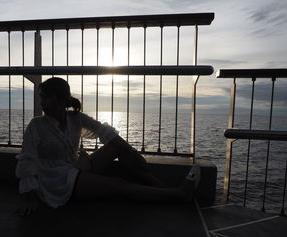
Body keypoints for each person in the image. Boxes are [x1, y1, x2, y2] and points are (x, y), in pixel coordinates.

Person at [16, 77, 200, 216]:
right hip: (56, 180)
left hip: (75, 167)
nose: (42, 104)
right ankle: (176, 194)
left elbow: (105, 132)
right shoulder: (36, 125)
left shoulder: (76, 118)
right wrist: (28, 194)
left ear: (59, 99)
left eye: (45, 98)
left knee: (118, 147)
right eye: (41, 99)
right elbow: (27, 159)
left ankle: (165, 188)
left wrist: (131, 152)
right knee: (118, 185)